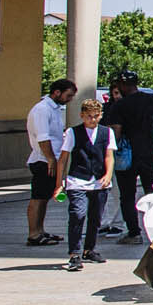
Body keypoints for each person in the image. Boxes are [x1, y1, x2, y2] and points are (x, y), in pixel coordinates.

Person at [52, 97, 117, 270]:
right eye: (89, 116)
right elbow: (63, 158)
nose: (93, 119)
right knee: (78, 214)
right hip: (77, 179)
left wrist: (108, 174)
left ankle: (89, 249)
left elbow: (109, 156)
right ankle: (74, 253)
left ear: (101, 115)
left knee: (96, 218)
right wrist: (59, 183)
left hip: (99, 181)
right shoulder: (73, 133)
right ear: (82, 116)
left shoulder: (107, 132)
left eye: (96, 116)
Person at [104, 71, 153, 245]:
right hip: (149, 151)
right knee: (152, 192)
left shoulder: (119, 106)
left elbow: (116, 131)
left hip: (128, 155)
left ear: (122, 85)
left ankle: (134, 233)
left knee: (127, 195)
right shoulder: (151, 99)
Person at [24, 78, 74, 247]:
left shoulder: (55, 109)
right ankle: (33, 233)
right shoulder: (42, 109)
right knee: (38, 197)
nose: (70, 99)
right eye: (68, 95)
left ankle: (40, 230)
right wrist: (51, 159)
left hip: (51, 159)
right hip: (42, 160)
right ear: (57, 92)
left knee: (44, 197)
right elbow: (43, 137)